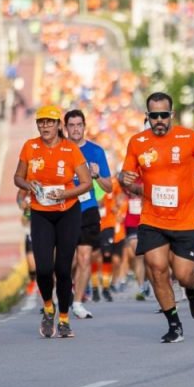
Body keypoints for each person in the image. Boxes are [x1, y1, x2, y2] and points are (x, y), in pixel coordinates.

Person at [119, 92, 194, 343]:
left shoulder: (188, 137)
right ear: (148, 117)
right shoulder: (137, 142)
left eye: (164, 115)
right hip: (152, 218)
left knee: (184, 274)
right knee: (157, 268)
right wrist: (126, 180)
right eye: (155, 116)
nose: (160, 120)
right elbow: (127, 178)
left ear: (171, 115)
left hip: (184, 218)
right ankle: (174, 323)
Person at [13, 105, 92, 339]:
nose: (45, 126)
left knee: (63, 268)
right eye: (41, 122)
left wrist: (65, 194)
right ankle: (49, 307)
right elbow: (17, 176)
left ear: (59, 125)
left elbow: (86, 183)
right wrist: (28, 185)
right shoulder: (30, 147)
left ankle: (65, 319)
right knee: (44, 268)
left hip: (68, 211)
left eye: (50, 122)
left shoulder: (70, 149)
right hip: (41, 212)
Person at [63, 109, 113, 319]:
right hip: (64, 209)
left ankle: (77, 303)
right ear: (65, 129)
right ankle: (61, 297)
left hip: (87, 209)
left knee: (84, 258)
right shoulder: (59, 150)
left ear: (84, 126)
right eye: (71, 125)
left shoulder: (96, 151)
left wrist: (96, 175)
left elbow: (109, 186)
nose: (76, 129)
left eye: (79, 125)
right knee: (66, 261)